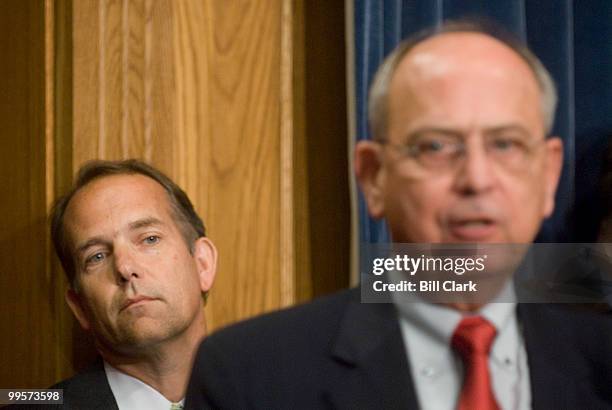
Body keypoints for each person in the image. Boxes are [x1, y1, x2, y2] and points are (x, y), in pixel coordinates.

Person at [184, 21, 612, 409]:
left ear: (549, 175)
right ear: (373, 176)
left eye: (506, 145)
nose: (477, 179)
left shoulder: (601, 360)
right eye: (437, 146)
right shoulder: (250, 375)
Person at [45, 159, 217, 409]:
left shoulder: (282, 394)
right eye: (97, 256)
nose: (125, 268)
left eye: (149, 239)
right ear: (79, 307)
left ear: (202, 263)